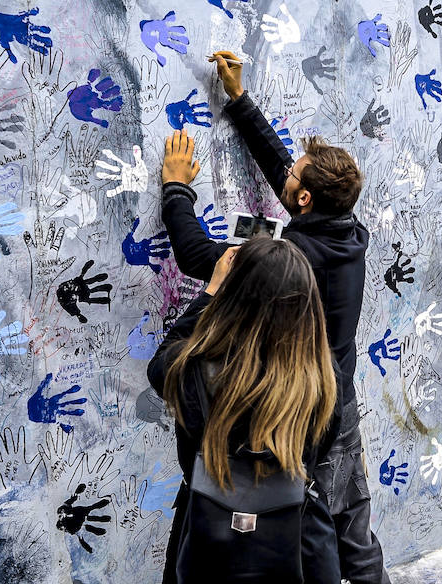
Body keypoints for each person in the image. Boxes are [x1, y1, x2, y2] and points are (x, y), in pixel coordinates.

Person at [158, 49, 389, 583]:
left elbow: (198, 255)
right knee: (353, 538)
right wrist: (239, 100)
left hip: (298, 411)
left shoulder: (291, 262)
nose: (288, 175)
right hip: (335, 406)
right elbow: (286, 170)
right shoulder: (345, 232)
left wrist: (176, 189)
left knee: (305, 531)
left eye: (297, 180)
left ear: (303, 199)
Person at [146, 237, 337, 582]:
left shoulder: (193, 371)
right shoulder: (322, 381)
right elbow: (322, 444)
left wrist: (211, 291)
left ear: (234, 302)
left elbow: (162, 362)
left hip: (207, 538)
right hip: (291, 547)